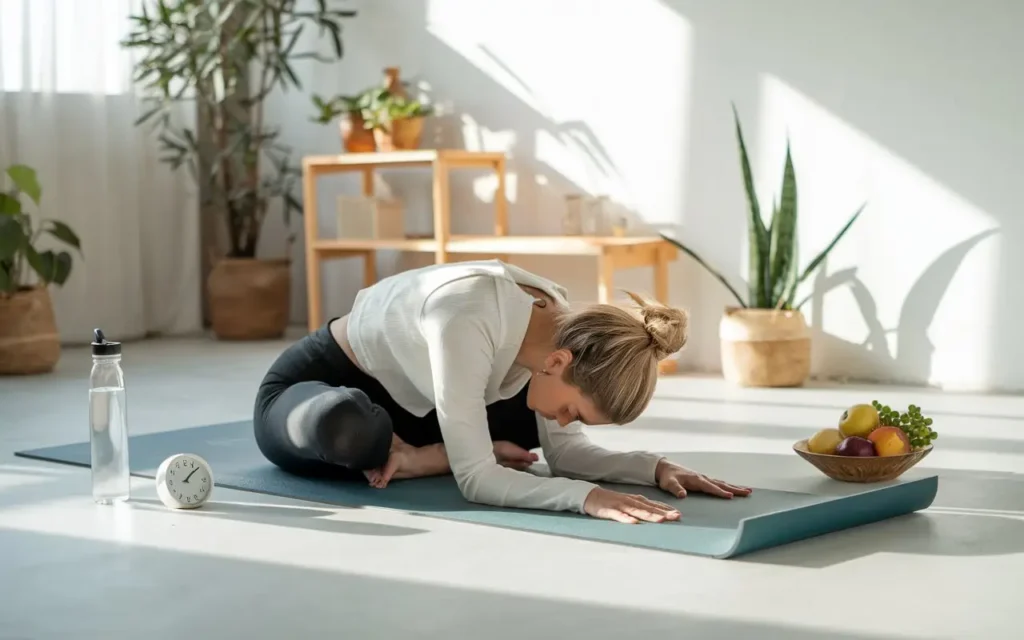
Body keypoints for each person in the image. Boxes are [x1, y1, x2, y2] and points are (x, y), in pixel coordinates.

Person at [253, 259, 750, 524]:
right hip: (331, 384)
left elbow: (569, 456)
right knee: (342, 428)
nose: (564, 424)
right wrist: (587, 499)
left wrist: (654, 467)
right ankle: (433, 455)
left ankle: (427, 453)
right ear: (559, 364)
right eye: (572, 411)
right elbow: (478, 483)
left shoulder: (560, 340)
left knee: (528, 416)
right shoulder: (466, 315)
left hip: (427, 404)